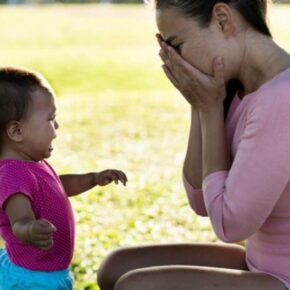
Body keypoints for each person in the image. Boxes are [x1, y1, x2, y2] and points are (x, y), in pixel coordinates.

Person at [97, 0, 290, 289]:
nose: (174, 61)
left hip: (282, 277)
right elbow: (201, 200)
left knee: (135, 286)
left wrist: (210, 110)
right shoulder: (238, 87)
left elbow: (229, 225)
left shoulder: (282, 98)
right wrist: (200, 105)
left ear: (223, 20)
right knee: (114, 268)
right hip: (259, 262)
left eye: (176, 45)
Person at [0, 66, 128, 289]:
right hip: (34, 277)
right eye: (51, 119)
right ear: (17, 132)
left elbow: (57, 186)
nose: (56, 127)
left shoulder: (31, 165)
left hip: (44, 269)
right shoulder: (13, 173)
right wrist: (30, 229)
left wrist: (93, 178)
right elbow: (18, 220)